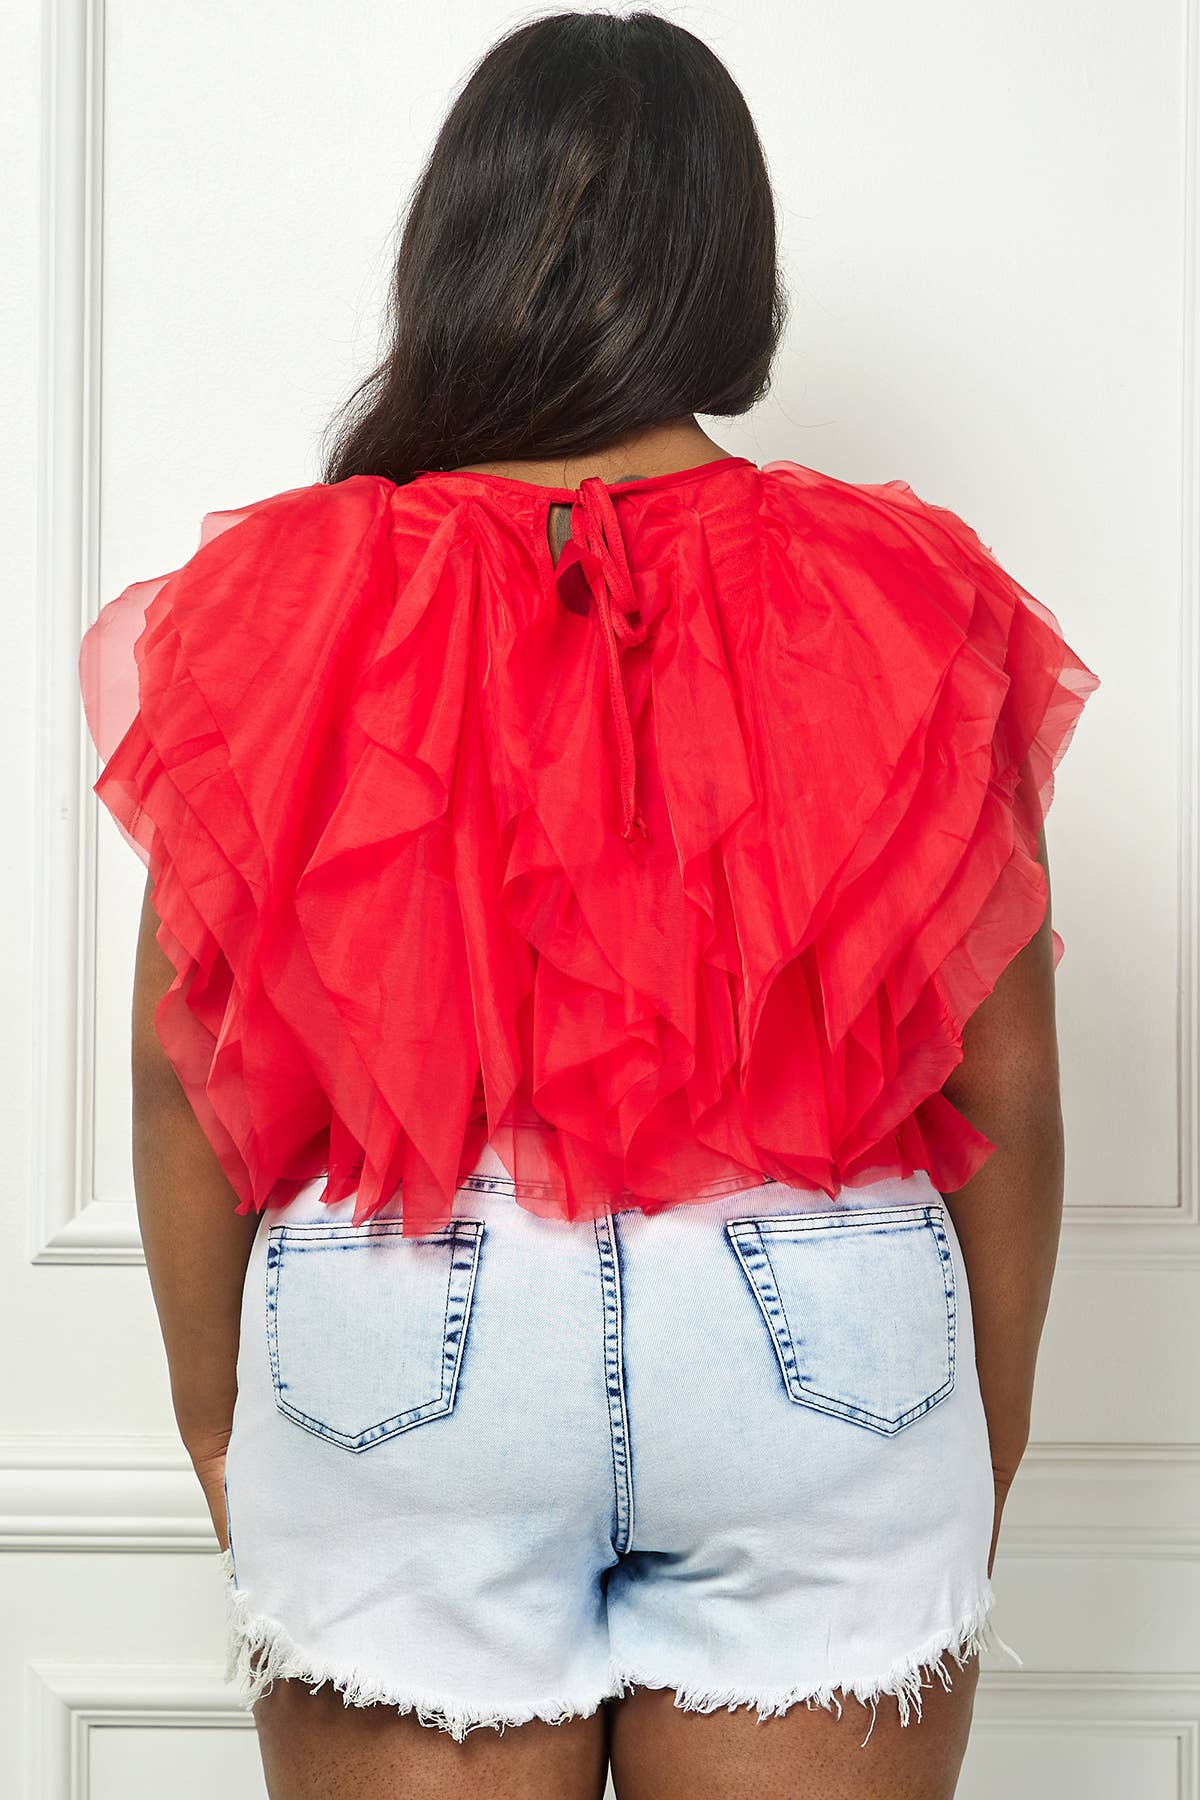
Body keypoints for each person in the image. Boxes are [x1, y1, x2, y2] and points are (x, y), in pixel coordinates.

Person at [77, 11, 1100, 1799]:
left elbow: (192, 1064)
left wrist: (218, 1419)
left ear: (451, 250)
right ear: (733, 271)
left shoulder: (292, 594)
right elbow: (1005, 1071)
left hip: (404, 1331)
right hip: (822, 1325)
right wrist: (970, 1438)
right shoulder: (893, 589)